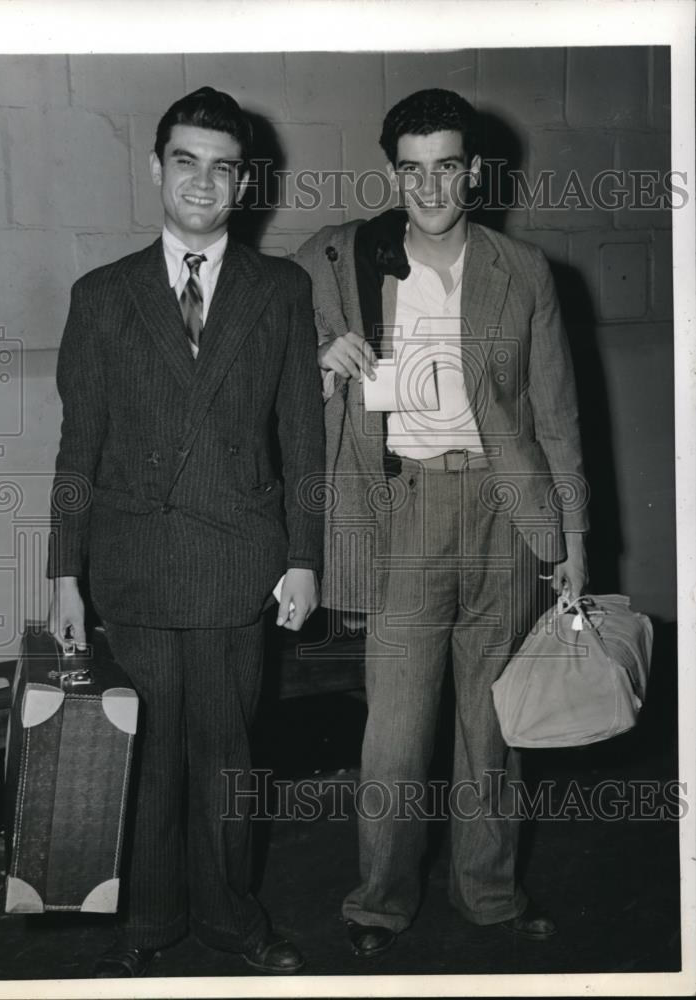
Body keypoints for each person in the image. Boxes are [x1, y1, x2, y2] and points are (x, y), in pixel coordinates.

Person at [294, 88, 588, 957]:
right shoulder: (337, 258)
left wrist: (572, 543)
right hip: (404, 511)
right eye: (412, 170)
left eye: (447, 167)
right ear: (393, 173)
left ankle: (489, 896)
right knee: (394, 728)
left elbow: (558, 417)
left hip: (504, 509)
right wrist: (321, 357)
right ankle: (378, 902)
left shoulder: (523, 270)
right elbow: (274, 349)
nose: (429, 187)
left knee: (491, 726)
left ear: (474, 172)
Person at [47, 86, 324, 977]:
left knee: (229, 760)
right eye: (185, 161)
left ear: (244, 183)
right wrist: (63, 574)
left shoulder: (280, 289)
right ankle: (150, 923)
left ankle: (232, 919)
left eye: (222, 166)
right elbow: (77, 446)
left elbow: (304, 443)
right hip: (133, 567)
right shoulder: (103, 295)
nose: (202, 183)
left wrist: (304, 559)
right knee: (150, 756)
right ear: (156, 168)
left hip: (241, 567)